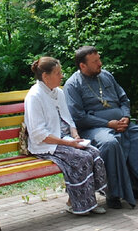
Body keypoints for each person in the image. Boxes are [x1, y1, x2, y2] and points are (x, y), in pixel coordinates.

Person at [64, 46, 138, 207]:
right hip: (94, 129)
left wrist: (126, 116)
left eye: (99, 59)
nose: (100, 63)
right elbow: (79, 117)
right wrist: (107, 123)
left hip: (122, 124)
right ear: (82, 66)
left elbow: (124, 99)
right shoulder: (72, 85)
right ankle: (114, 194)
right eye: (95, 61)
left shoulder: (106, 76)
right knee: (110, 143)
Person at [23, 57, 108, 216]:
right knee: (80, 158)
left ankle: (85, 200)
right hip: (45, 145)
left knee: (94, 153)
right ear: (45, 77)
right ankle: (80, 204)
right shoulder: (34, 96)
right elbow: (38, 134)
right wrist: (69, 144)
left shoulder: (58, 92)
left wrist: (75, 136)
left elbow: (68, 119)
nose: (62, 76)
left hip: (65, 140)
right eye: (57, 73)